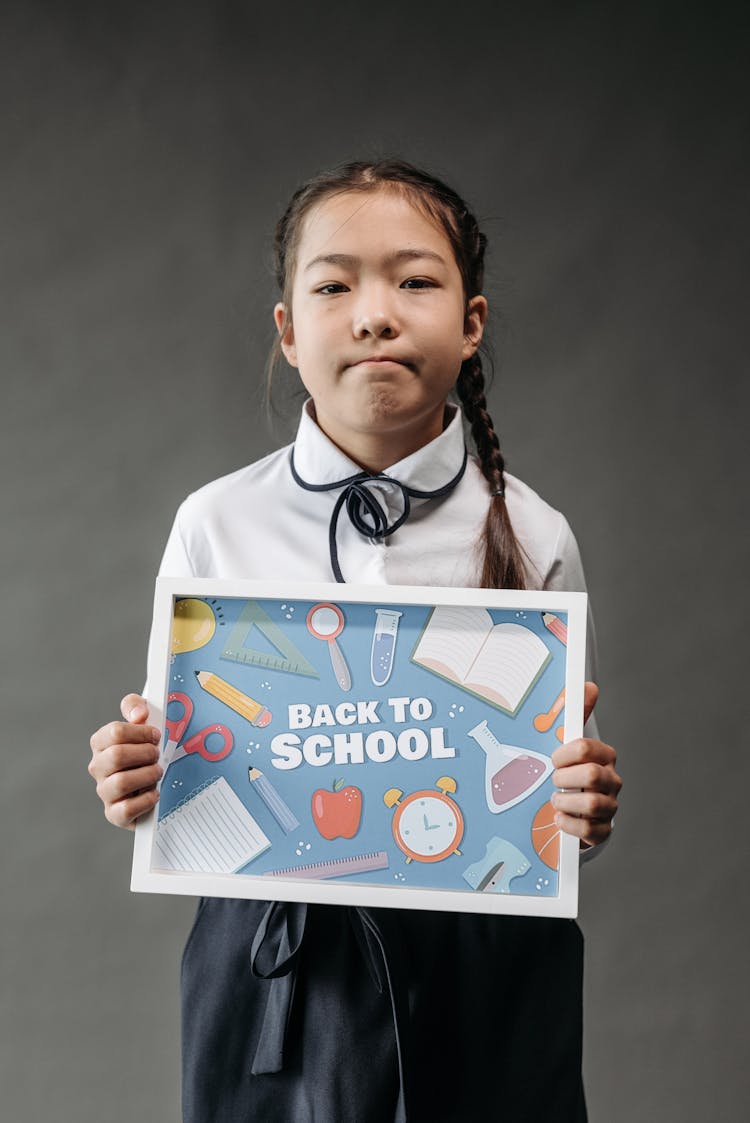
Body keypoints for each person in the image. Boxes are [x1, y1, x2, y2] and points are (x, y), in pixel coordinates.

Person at [88, 159, 621, 1123]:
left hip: (485, 968)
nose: (375, 313)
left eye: (415, 281)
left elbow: (550, 803)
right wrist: (141, 771)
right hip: (276, 969)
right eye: (334, 285)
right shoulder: (216, 523)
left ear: (472, 323)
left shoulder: (536, 535)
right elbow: (194, 764)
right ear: (289, 332)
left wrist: (577, 799)